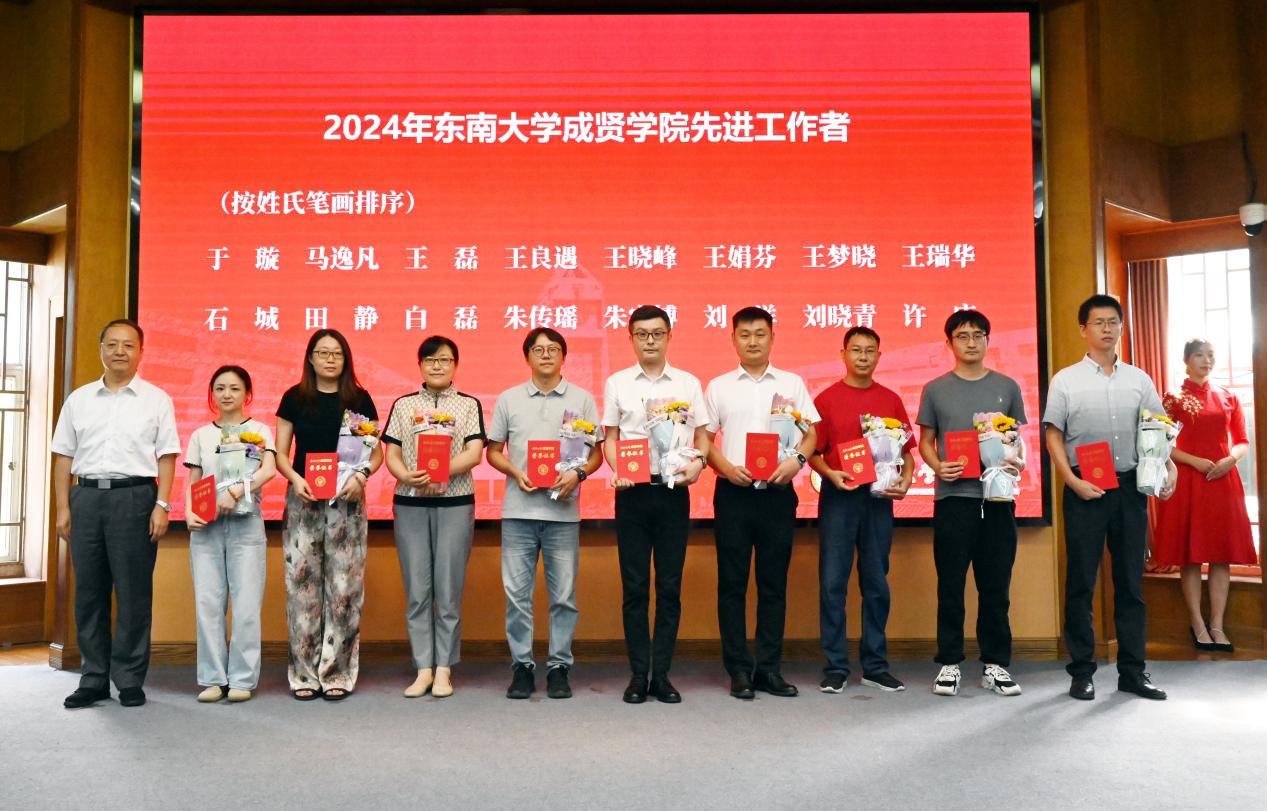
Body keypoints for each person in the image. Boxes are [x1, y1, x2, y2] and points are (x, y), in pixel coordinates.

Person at [1044, 294, 1176, 701]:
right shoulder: (1065, 380)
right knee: (1081, 583)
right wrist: (1071, 480)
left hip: (1130, 487)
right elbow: (1053, 434)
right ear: (1083, 329)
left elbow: (1158, 428)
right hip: (1085, 488)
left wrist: (1168, 467)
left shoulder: (1139, 379)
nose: (1107, 329)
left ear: (1121, 327)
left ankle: (1133, 672)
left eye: (1113, 322)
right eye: (1098, 322)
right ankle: (1081, 672)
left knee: (1130, 583)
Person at [52, 319, 181, 709]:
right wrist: (63, 507)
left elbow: (168, 456)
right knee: (89, 592)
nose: (119, 351)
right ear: (101, 349)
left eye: (128, 345)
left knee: (133, 592)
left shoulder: (156, 399)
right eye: (112, 344)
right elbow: (63, 456)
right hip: (87, 498)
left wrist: (162, 504)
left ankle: (128, 678)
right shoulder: (79, 399)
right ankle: (93, 677)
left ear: (141, 351)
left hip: (135, 498)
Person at [704, 306, 819, 699]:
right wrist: (724, 467)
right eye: (745, 334)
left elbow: (810, 434)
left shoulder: (792, 383)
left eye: (760, 334)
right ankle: (738, 669)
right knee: (732, 585)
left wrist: (796, 461)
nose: (752, 341)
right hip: (733, 494)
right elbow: (704, 440)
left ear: (772, 337)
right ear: (733, 339)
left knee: (773, 585)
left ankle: (769, 669)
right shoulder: (719, 386)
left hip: (777, 494)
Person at [487, 328, 602, 700]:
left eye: (553, 349)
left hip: (563, 514)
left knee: (564, 596)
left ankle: (558, 667)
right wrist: (514, 471)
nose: (547, 355)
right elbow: (493, 451)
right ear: (528, 357)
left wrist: (578, 473)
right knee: (517, 596)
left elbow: (596, 454)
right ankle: (522, 666)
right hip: (518, 512)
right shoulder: (509, 398)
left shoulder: (582, 399)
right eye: (539, 350)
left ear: (564, 356)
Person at [917, 309, 1028, 698]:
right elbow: (925, 442)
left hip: (998, 500)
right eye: (962, 336)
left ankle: (995, 665)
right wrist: (938, 466)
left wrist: (1015, 461)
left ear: (987, 340)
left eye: (978, 335)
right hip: (954, 499)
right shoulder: (935, 389)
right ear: (949, 343)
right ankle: (949, 663)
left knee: (996, 587)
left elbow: (1016, 441)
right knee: (951, 585)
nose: (971, 342)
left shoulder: (1007, 387)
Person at [602, 305, 708, 704]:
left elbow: (702, 436)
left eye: (657, 333)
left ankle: (661, 675)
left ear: (668, 336)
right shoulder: (617, 383)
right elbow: (610, 438)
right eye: (642, 334)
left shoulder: (688, 383)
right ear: (631, 338)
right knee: (634, 588)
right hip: (632, 493)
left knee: (669, 586)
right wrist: (618, 469)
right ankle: (637, 675)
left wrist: (698, 465)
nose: (650, 340)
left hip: (673, 492)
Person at [274, 329, 381, 701]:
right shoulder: (294, 398)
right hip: (303, 500)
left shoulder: (358, 399)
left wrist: (361, 476)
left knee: (344, 589)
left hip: (346, 502)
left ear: (345, 358)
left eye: (337, 353)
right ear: (311, 358)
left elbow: (375, 452)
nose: (330, 359)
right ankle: (303, 674)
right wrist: (295, 478)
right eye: (323, 352)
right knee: (302, 587)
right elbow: (280, 453)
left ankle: (337, 672)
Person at [809, 326, 914, 695]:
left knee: (876, 583)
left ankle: (875, 666)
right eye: (856, 350)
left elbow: (906, 452)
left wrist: (906, 480)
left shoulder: (890, 399)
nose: (863, 357)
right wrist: (831, 474)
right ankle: (836, 666)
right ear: (843, 354)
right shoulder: (826, 400)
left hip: (878, 499)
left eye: (870, 350)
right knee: (832, 583)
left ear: (879, 356)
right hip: (840, 497)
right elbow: (813, 453)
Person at [382, 336, 485, 698]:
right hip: (410, 502)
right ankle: (423, 667)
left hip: (455, 503)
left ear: (455, 364)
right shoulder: (404, 405)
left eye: (444, 360)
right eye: (430, 360)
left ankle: (444, 668)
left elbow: (474, 453)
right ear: (420, 365)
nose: (437, 366)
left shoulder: (468, 404)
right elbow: (392, 453)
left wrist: (441, 472)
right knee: (417, 591)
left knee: (448, 589)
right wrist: (405, 475)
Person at [1152, 339, 1256, 652]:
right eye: (1199, 355)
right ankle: (1198, 624)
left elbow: (1242, 440)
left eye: (1211, 355)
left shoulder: (1228, 396)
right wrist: (1195, 461)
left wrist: (1230, 460)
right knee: (1191, 556)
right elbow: (1160, 443)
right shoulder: (1172, 397)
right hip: (1187, 480)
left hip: (1223, 479)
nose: (1206, 360)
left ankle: (1218, 625)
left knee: (1221, 554)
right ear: (1186, 360)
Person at [184, 366, 277, 703]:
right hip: (206, 527)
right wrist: (188, 511)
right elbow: (193, 480)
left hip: (246, 525)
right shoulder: (200, 435)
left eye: (234, 388)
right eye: (220, 388)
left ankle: (241, 679)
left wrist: (237, 491)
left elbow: (268, 470)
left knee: (247, 605)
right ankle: (212, 678)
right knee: (208, 604)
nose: (227, 394)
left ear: (247, 394)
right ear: (212, 393)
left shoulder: (259, 430)